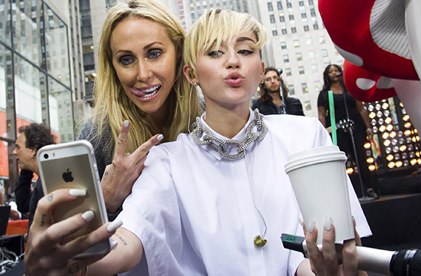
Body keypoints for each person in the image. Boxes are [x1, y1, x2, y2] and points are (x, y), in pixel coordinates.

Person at [24, 9, 371, 275]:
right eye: (215, 52)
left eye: (245, 51)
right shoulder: (164, 160)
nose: (233, 61)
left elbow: (332, 249)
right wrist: (70, 260)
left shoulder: (305, 135)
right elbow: (129, 240)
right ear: (191, 73)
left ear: (261, 67)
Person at [76, 0, 201, 218]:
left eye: (154, 53)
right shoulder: (96, 137)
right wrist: (106, 201)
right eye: (126, 59)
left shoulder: (208, 118)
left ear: (178, 53)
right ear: (113, 67)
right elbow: (73, 243)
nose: (142, 74)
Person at [317, 64, 377, 197]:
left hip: (356, 128)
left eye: (336, 70)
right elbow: (321, 114)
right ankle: (347, 193)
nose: (334, 73)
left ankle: (369, 188)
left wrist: (368, 127)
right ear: (327, 76)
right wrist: (324, 130)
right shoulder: (324, 94)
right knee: (341, 161)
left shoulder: (350, 89)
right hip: (337, 130)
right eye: (330, 72)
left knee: (361, 158)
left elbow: (361, 109)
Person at [12, 123, 55, 227]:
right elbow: (23, 205)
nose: (14, 152)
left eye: (18, 147)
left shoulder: (49, 182)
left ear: (33, 150)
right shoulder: (44, 178)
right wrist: (26, 169)